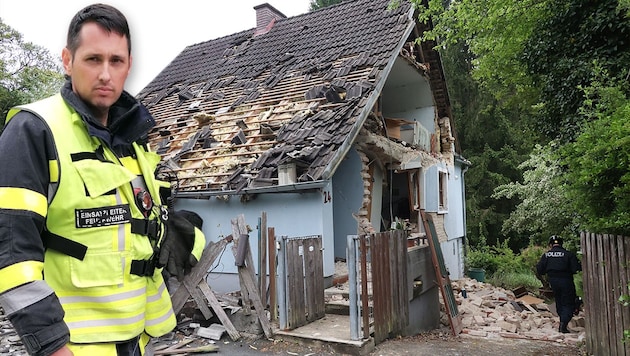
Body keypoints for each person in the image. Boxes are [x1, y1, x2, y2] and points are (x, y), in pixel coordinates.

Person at [0, 4, 205, 355]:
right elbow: (11, 251)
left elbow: (128, 227)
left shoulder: (132, 139)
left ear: (129, 64)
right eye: (93, 59)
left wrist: (168, 231)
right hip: (73, 346)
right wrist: (51, 345)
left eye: (116, 61)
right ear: (67, 60)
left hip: (136, 338)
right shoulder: (34, 130)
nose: (106, 74)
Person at [536, 235, 581, 333]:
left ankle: (562, 321)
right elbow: (576, 269)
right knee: (568, 302)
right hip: (566, 280)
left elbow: (540, 270)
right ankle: (563, 324)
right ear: (561, 244)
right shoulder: (568, 254)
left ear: (551, 245)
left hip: (553, 282)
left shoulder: (547, 255)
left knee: (559, 300)